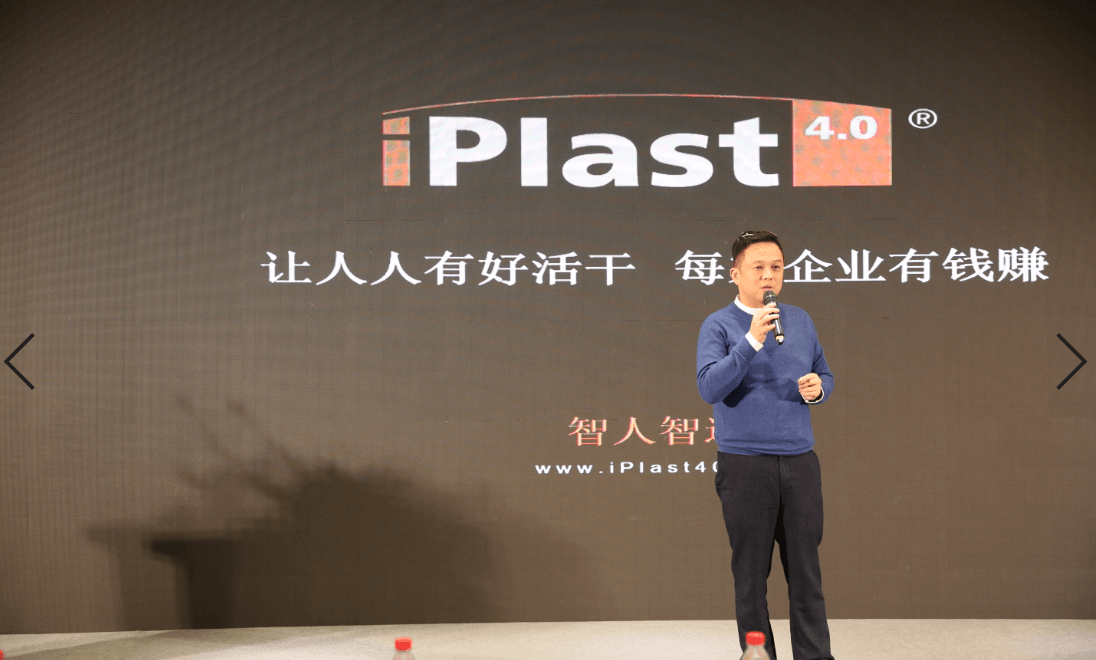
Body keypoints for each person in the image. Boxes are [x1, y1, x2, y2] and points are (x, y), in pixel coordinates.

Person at [696, 230, 835, 660]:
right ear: (735, 274)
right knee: (751, 578)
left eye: (776, 267)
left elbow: (824, 374)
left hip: (800, 462)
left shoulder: (801, 320)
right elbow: (710, 387)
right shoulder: (719, 324)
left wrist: (817, 389)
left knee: (806, 575)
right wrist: (752, 340)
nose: (769, 275)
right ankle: (759, 656)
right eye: (758, 267)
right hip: (744, 466)